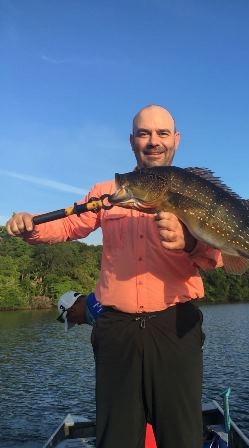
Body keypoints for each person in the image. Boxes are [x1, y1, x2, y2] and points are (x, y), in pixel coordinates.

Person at [6, 105, 222, 448]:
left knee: (182, 436)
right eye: (144, 133)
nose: (153, 142)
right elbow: (69, 225)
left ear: (176, 140)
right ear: (132, 140)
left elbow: (213, 258)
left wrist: (189, 241)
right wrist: (29, 226)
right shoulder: (107, 190)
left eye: (162, 133)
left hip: (176, 326)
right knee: (116, 437)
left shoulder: (194, 192)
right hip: (115, 329)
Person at [56, 290, 157, 448]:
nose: (79, 324)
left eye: (73, 320)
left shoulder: (101, 317)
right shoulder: (102, 299)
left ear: (73, 309)